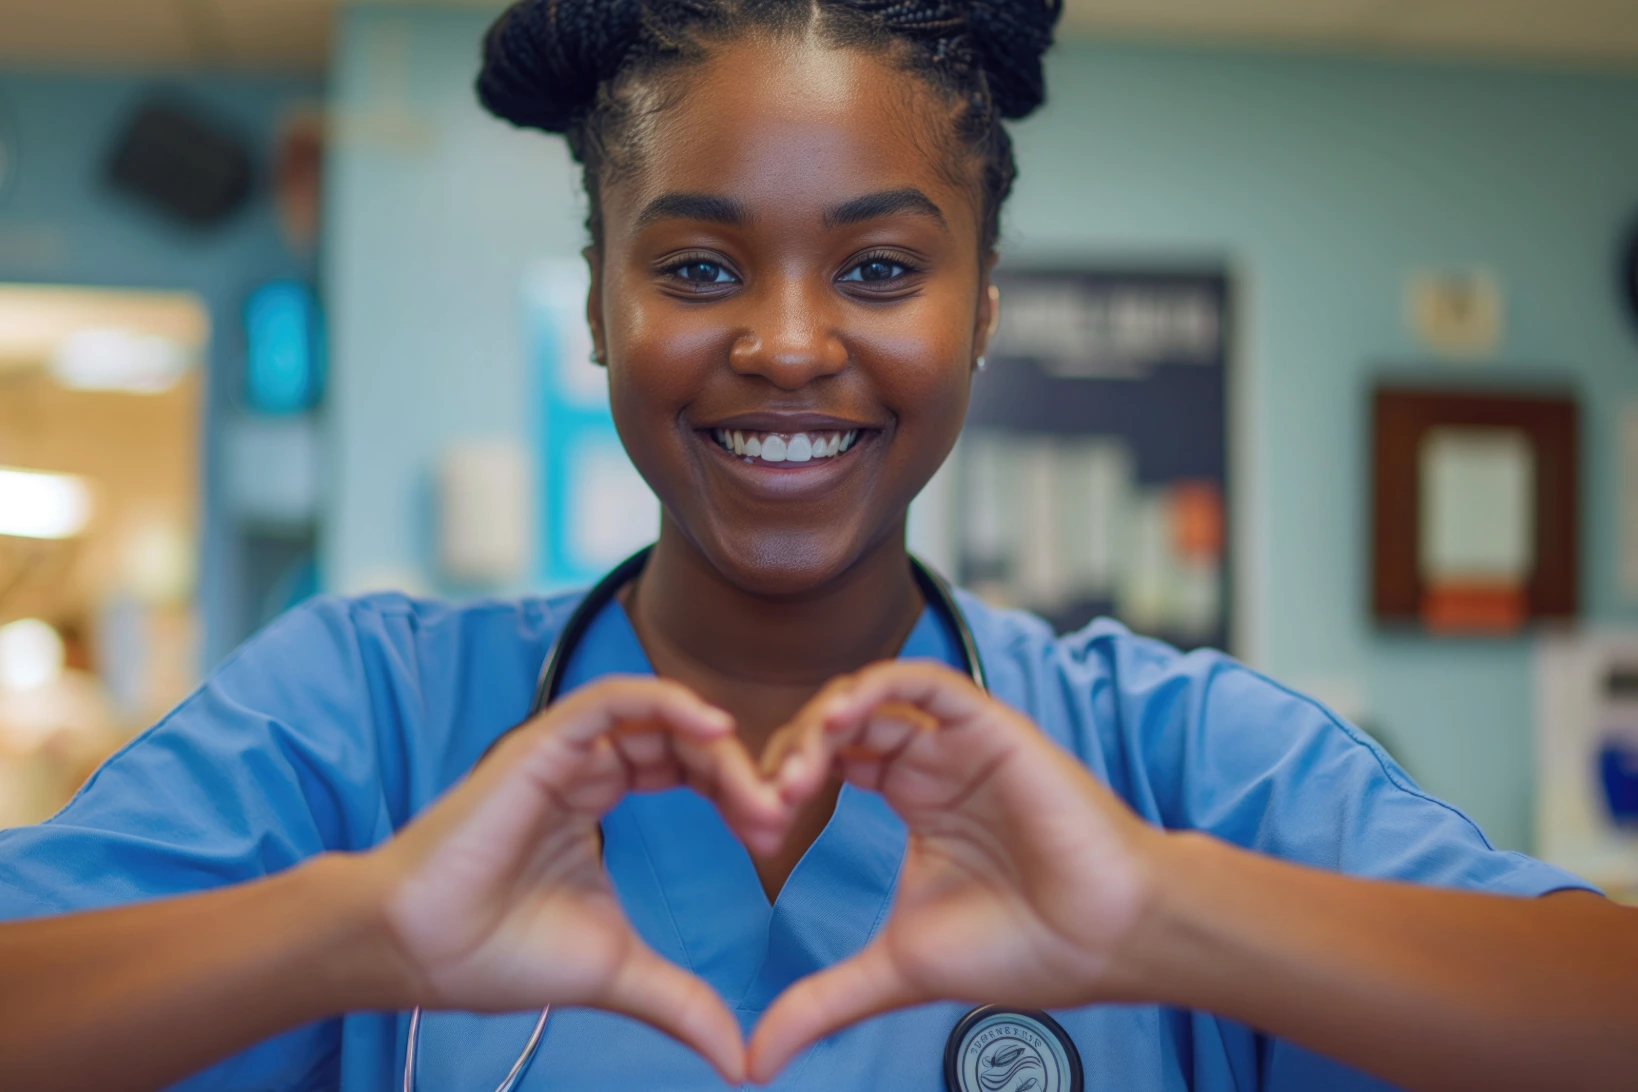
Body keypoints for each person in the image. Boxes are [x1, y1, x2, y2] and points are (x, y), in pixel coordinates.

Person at [1, 1, 1635, 1089]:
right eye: (699, 269)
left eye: (877, 270)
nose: (787, 343)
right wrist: (357, 927)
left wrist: (1161, 915)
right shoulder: (364, 721)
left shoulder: (1169, 756)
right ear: (598, 305)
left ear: (983, 307)